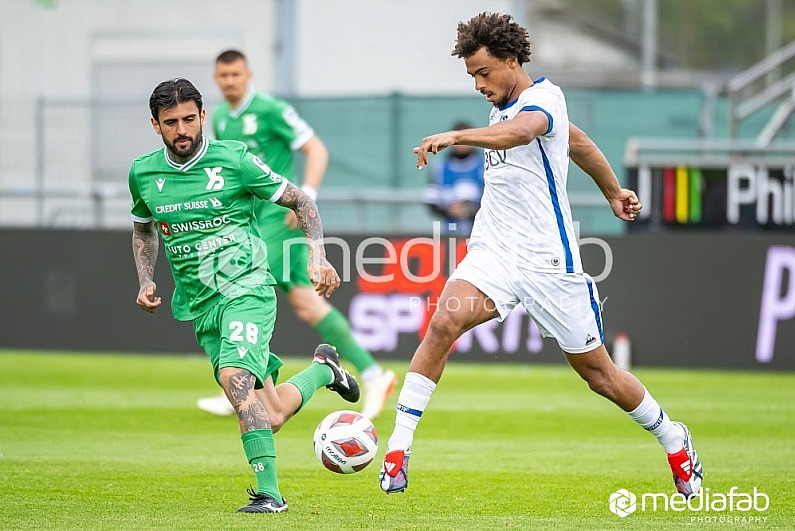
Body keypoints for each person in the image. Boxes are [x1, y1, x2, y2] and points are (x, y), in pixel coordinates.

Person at [378, 12, 703, 500]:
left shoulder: (543, 100)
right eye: (472, 76)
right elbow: (579, 143)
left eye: (484, 73)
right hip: (494, 251)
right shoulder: (501, 106)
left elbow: (523, 133)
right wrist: (613, 192)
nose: (478, 85)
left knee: (600, 376)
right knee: (443, 323)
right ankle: (398, 450)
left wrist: (457, 136)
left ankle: (673, 437)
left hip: (548, 262)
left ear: (512, 61)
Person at [130, 78, 360, 513]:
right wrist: (145, 279)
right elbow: (144, 229)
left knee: (234, 379)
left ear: (203, 115)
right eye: (171, 122)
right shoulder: (143, 173)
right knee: (270, 415)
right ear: (155, 125)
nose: (182, 130)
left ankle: (270, 495)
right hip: (201, 304)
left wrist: (317, 255)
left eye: (189, 119)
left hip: (247, 288)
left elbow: (301, 202)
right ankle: (323, 371)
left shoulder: (234, 160)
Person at [196, 49, 396, 420]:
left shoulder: (271, 110)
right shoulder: (220, 118)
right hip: (249, 220)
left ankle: (241, 383)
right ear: (215, 78)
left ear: (248, 74)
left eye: (236, 74)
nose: (230, 81)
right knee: (306, 303)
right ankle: (373, 373)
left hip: (278, 218)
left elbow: (315, 149)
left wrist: (307, 195)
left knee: (241, 290)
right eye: (223, 76)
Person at [423, 120, 485, 236]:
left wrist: (470, 210)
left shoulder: (485, 165)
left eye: (466, 139)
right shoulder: (440, 167)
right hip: (449, 232)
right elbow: (431, 201)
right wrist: (449, 210)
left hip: (481, 232)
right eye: (459, 140)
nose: (463, 144)